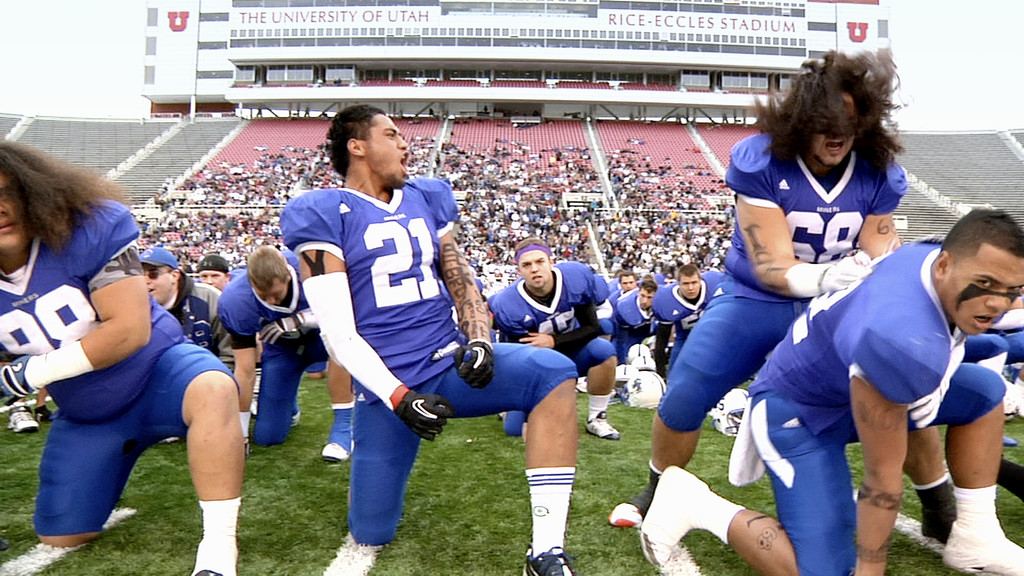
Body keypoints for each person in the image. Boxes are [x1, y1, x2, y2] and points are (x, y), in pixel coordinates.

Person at [610, 48, 956, 541]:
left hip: (838, 308)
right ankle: (659, 486)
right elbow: (771, 265)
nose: (837, 133)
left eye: (850, 120)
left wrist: (876, 270)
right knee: (687, 388)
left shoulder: (878, 170)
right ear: (800, 121)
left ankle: (937, 502)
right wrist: (826, 277)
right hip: (759, 299)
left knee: (900, 374)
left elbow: (880, 244)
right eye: (825, 121)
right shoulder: (763, 161)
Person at [279, 104, 581, 575]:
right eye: (392, 134)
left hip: (447, 364)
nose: (405, 144)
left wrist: (479, 338)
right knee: (370, 529)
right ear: (357, 146)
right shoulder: (321, 212)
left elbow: (460, 279)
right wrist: (399, 397)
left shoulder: (425, 196)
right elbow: (339, 337)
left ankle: (546, 550)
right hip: (388, 387)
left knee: (554, 372)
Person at [640, 209, 1024, 576]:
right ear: (943, 266)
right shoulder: (903, 338)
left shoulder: (934, 261)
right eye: (985, 284)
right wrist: (872, 567)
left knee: (985, 390)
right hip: (798, 412)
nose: (997, 302)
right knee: (827, 572)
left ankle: (976, 533)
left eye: (1012, 289)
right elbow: (881, 476)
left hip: (847, 382)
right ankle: (695, 503)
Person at [0, 141, 242, 576]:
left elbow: (129, 330)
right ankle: (111, 467)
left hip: (159, 374)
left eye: (6, 192)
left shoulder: (89, 228)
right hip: (88, 410)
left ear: (32, 189)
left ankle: (220, 547)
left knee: (214, 387)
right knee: (61, 535)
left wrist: (31, 372)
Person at [218, 245, 354, 461]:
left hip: (323, 339)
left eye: (276, 294)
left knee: (341, 341)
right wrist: (240, 433)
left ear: (289, 277)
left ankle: (344, 428)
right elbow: (245, 370)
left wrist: (298, 319)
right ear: (251, 283)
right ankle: (288, 407)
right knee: (267, 437)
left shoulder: (310, 266)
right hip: (282, 351)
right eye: (264, 296)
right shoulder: (236, 301)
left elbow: (347, 310)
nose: (271, 302)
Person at [489, 236, 622, 440]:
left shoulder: (574, 278)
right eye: (527, 264)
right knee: (514, 430)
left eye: (540, 261)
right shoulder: (509, 303)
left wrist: (554, 341)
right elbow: (518, 358)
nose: (534, 269)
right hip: (532, 363)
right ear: (519, 270)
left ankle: (597, 417)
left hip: (570, 349)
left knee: (603, 350)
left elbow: (592, 327)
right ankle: (509, 404)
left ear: (551, 262)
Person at [140, 246, 234, 369]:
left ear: (174, 275)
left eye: (153, 274)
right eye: (140, 275)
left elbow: (229, 355)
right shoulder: (132, 304)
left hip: (206, 378)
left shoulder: (208, 298)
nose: (145, 281)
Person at [650, 263, 725, 376]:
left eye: (694, 283)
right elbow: (661, 341)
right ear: (678, 283)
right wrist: (661, 372)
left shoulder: (715, 283)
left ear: (700, 280)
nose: (690, 288)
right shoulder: (666, 300)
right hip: (685, 336)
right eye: (686, 283)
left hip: (716, 334)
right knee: (674, 374)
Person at [612, 274, 659, 363]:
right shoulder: (624, 307)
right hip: (629, 334)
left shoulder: (661, 301)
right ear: (638, 292)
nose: (645, 301)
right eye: (643, 296)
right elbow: (621, 339)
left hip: (648, 329)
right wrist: (622, 362)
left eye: (649, 297)